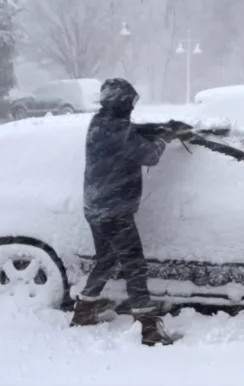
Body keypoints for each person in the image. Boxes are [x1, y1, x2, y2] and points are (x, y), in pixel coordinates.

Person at [71, 78, 177, 346]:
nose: (131, 107)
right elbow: (150, 156)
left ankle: (83, 311)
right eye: (130, 102)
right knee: (134, 266)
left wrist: (155, 128)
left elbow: (129, 132)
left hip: (95, 206)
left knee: (107, 259)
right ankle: (148, 327)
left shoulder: (98, 124)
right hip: (114, 211)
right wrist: (165, 136)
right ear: (121, 104)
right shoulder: (118, 131)